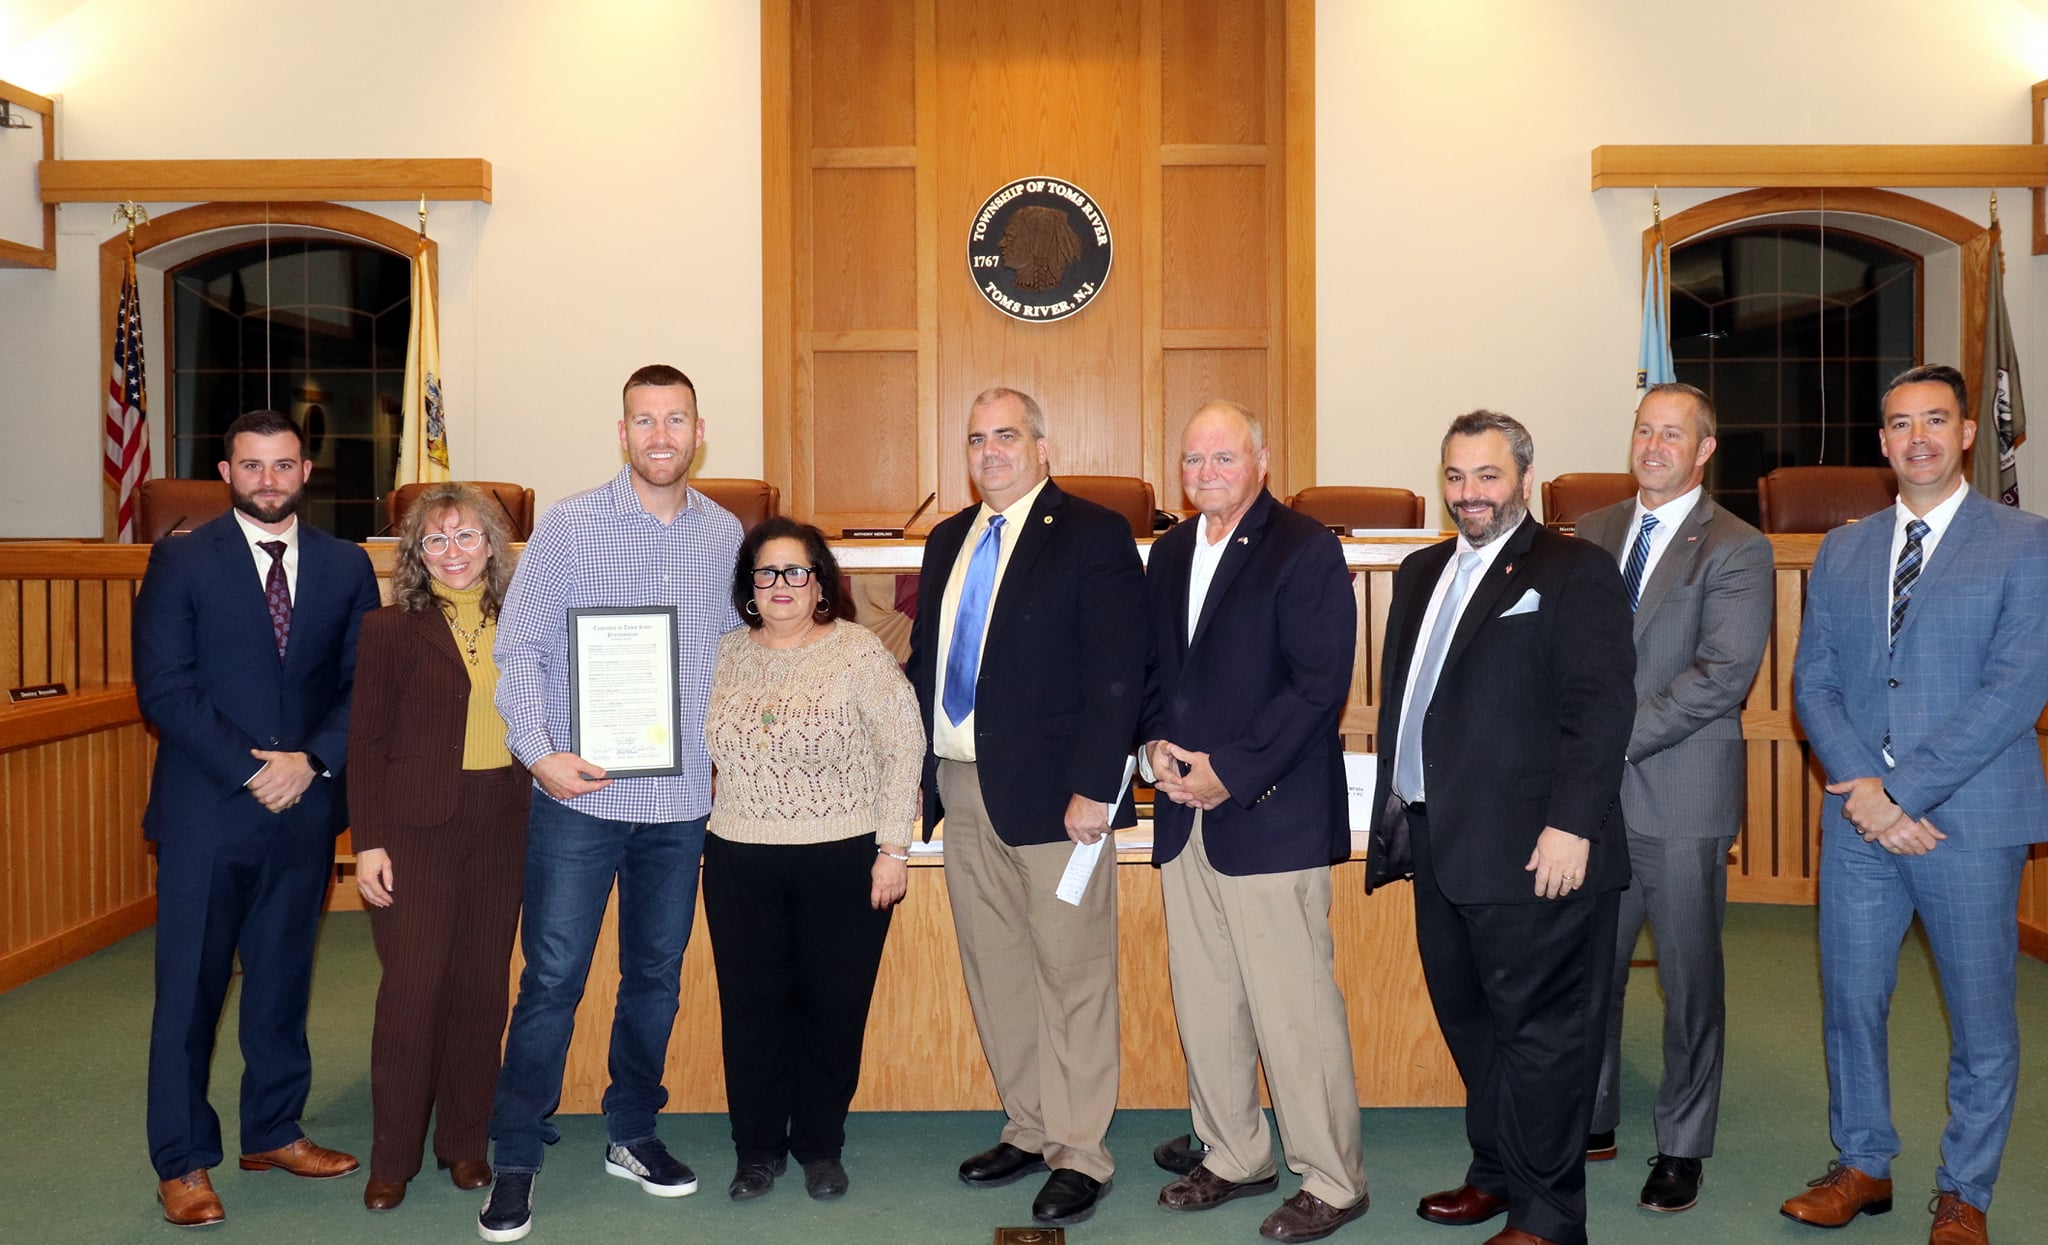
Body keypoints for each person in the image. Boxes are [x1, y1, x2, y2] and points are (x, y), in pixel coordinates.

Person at [1782, 364, 2048, 1245]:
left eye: (1936, 419)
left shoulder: (2026, 541)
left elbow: (2016, 692)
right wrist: (1867, 790)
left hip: (1966, 818)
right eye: (1900, 423)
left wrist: (1899, 791)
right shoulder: (1846, 547)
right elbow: (1812, 682)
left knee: (1980, 1016)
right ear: (1884, 439)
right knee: (1852, 998)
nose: (1918, 437)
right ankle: (1863, 1162)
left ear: (1968, 432)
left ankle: (1965, 1189)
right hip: (1860, 822)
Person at [481, 364, 743, 1243]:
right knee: (552, 979)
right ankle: (514, 1153)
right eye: (644, 420)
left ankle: (632, 1131)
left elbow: (738, 663)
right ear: (621, 433)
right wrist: (542, 754)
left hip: (678, 804)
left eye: (676, 420)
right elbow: (519, 654)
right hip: (578, 801)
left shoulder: (725, 535)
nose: (661, 435)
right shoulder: (568, 525)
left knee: (656, 981)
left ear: (699, 432)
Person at [1366, 410, 1635, 1245]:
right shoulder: (1419, 573)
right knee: (1474, 1024)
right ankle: (1496, 1173)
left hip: (1536, 851)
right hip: (1441, 843)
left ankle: (1550, 1217)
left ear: (1522, 476)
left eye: (1487, 476)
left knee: (1543, 1037)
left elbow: (1600, 706)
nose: (1469, 494)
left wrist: (1571, 824)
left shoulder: (1574, 569)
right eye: (1455, 476)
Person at [905, 386, 1147, 1228]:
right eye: (976, 439)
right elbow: (927, 664)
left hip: (1059, 798)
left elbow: (1119, 670)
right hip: (965, 786)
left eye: (1006, 436)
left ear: (1043, 446)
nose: (991, 452)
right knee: (997, 967)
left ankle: (1082, 1150)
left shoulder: (1091, 533)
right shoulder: (946, 541)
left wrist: (1096, 785)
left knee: (1073, 973)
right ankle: (1032, 1123)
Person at [135, 409, 380, 1227]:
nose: (268, 480)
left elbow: (361, 686)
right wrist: (253, 769)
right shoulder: (181, 560)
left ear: (306, 470)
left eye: (282, 465)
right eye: (251, 466)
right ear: (226, 470)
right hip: (208, 813)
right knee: (190, 996)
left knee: (281, 983)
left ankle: (273, 1128)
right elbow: (165, 689)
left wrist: (309, 761)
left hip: (303, 809)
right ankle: (182, 1160)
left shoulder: (347, 566)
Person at [1143, 401, 1371, 1245]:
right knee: (1208, 1001)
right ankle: (1236, 1150)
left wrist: (1227, 773)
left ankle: (1334, 1177)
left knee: (1294, 1010)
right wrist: (1154, 746)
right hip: (1184, 817)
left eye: (1223, 458)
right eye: (1193, 459)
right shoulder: (1167, 552)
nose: (1206, 473)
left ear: (1262, 461)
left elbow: (1318, 686)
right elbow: (1154, 671)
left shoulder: (1305, 548)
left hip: (1268, 815)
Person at [1573, 384, 1774, 1214]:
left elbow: (1722, 677)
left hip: (1682, 788)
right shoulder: (1592, 532)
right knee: (1592, 967)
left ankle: (1683, 1144)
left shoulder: (1736, 545)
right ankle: (1591, 1117)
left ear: (1703, 450)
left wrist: (1606, 736)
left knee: (1689, 977)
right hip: (1590, 798)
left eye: (1673, 434)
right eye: (1644, 430)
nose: (1654, 445)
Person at [702, 518, 923, 1203]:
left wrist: (893, 847)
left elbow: (903, 746)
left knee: (832, 1008)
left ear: (821, 582)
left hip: (844, 857)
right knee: (752, 1009)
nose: (781, 586)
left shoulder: (857, 651)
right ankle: (757, 1149)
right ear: (748, 588)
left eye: (796, 571)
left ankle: (821, 1145)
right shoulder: (723, 653)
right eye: (766, 574)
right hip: (741, 857)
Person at [348, 483, 531, 1212]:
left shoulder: (526, 620)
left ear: (493, 542)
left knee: (481, 990)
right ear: (416, 555)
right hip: (417, 826)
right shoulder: (388, 629)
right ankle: (392, 1155)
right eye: (436, 540)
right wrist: (368, 844)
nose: (454, 553)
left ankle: (465, 1143)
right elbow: (365, 746)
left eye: (467, 537)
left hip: (504, 819)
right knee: (412, 991)